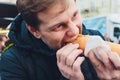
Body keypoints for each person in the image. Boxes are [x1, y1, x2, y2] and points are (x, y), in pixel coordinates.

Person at [0, 0, 120, 80]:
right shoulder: (13, 63)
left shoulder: (97, 39)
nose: (75, 31)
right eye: (58, 26)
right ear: (34, 31)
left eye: (75, 15)